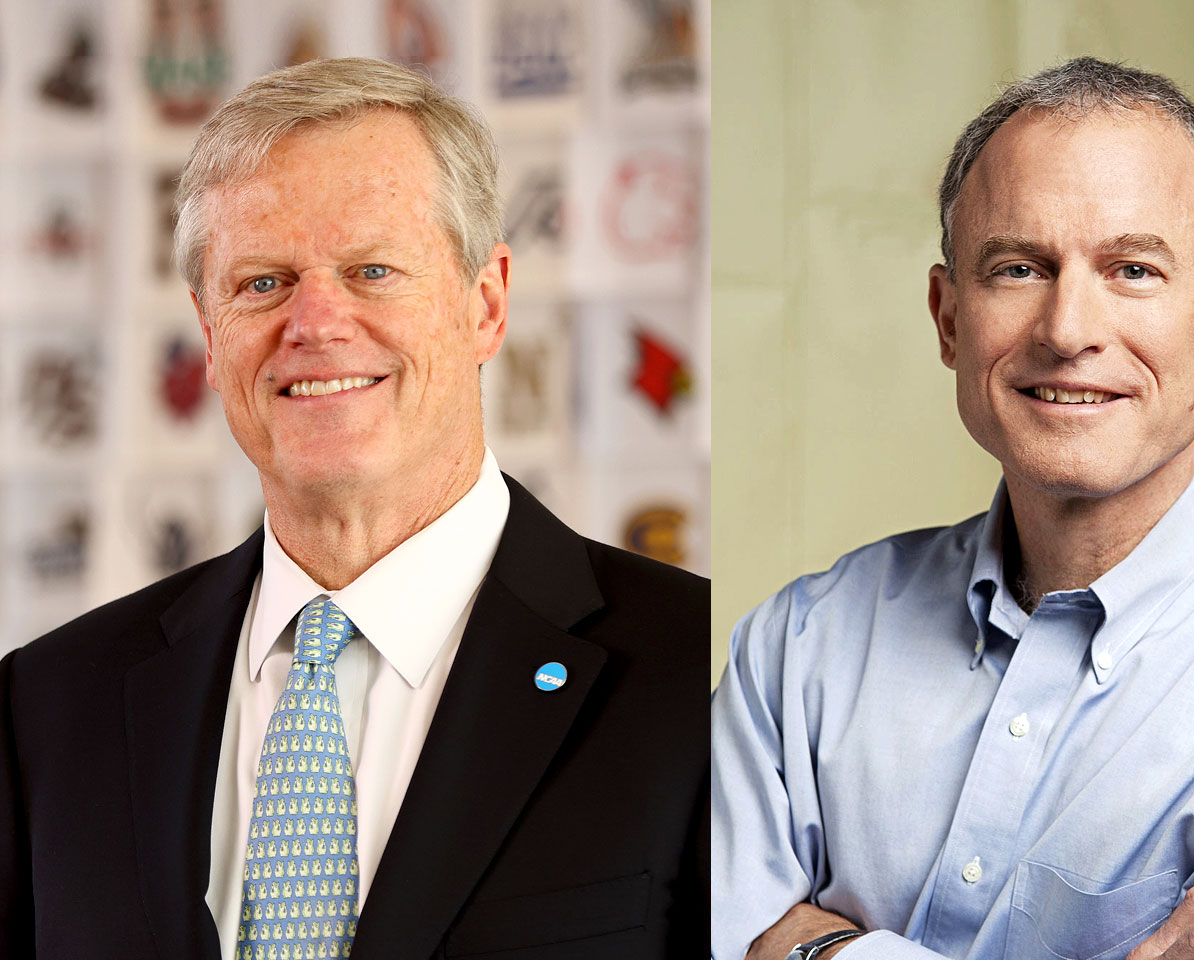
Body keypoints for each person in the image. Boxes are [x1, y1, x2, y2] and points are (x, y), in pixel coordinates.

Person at [711, 57, 1194, 960]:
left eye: (1133, 270)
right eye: (1018, 268)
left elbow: (755, 938)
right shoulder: (794, 651)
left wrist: (814, 948)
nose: (1066, 329)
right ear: (947, 317)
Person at [0, 58, 706, 959]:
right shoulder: (50, 705)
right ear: (210, 336)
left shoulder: (695, 671)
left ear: (485, 304)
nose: (316, 322)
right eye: (262, 283)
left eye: (372, 270)